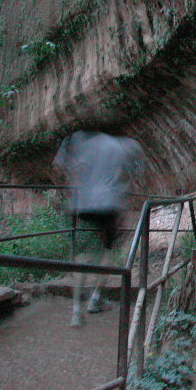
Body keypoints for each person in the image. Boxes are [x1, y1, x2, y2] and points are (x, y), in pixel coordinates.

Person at [53, 131, 144, 327]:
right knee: (108, 250)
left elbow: (63, 165)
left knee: (82, 255)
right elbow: (127, 174)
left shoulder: (81, 141)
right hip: (109, 204)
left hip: (83, 205)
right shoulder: (123, 145)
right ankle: (95, 298)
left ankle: (76, 311)